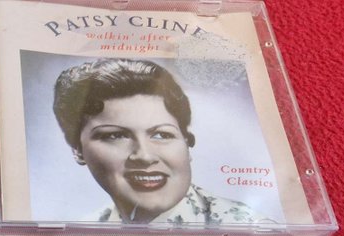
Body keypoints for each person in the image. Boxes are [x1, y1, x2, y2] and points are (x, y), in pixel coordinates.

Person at [53, 58, 264, 224]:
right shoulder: (83, 229)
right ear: (77, 149)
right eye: (115, 136)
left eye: (162, 135)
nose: (144, 156)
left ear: (187, 142)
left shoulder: (246, 226)